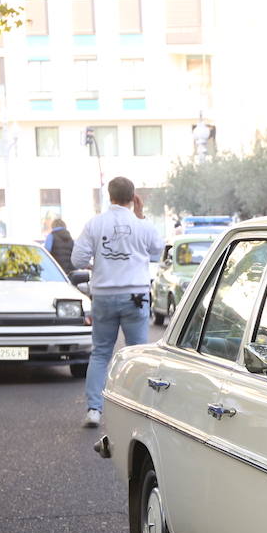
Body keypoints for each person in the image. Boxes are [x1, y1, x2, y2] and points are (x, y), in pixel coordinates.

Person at [72, 176, 163, 427]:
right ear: (134, 198)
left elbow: (77, 259)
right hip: (136, 296)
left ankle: (94, 410)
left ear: (109, 196)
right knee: (137, 354)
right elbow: (157, 249)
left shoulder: (95, 224)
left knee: (101, 353)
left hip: (103, 296)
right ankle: (139, 409)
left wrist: (97, 264)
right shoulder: (141, 225)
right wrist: (141, 215)